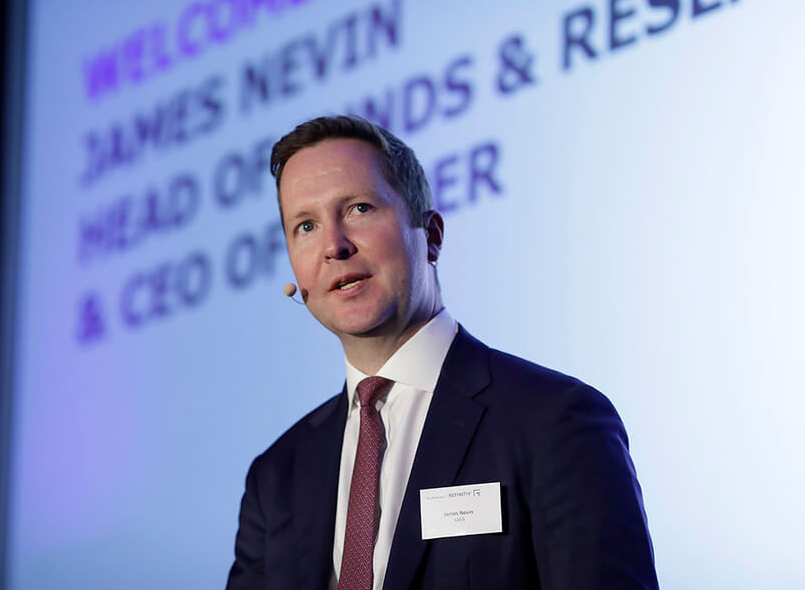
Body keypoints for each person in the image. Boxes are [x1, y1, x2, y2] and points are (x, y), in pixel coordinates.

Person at [227, 116, 658, 589]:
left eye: (359, 208)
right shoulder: (277, 475)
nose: (334, 245)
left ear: (431, 235)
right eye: (305, 225)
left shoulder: (555, 421)